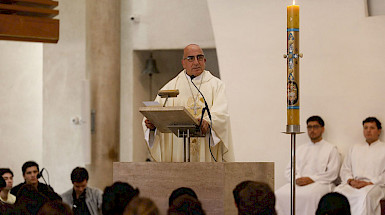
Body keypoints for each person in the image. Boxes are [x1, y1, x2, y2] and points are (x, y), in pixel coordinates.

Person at [143, 44, 234, 162]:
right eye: (191, 58)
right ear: (183, 63)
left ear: (204, 60)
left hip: (206, 153)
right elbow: (155, 113)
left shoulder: (216, 85)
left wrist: (209, 122)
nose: (196, 62)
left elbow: (222, 113)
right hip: (178, 155)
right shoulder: (170, 87)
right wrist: (152, 125)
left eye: (199, 57)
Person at [275, 116, 341, 215]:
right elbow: (289, 170)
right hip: (298, 183)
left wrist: (312, 179)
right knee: (279, 193)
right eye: (309, 127)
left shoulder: (331, 149)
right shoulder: (300, 149)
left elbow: (333, 173)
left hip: (321, 183)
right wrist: (296, 178)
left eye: (315, 127)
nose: (312, 130)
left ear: (322, 129)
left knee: (311, 196)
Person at [334, 117, 385, 215]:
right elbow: (345, 168)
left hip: (375, 186)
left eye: (372, 128)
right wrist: (350, 180)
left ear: (379, 131)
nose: (368, 131)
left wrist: (368, 183)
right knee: (337, 192)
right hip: (353, 184)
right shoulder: (355, 148)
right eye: (365, 128)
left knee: (364, 196)